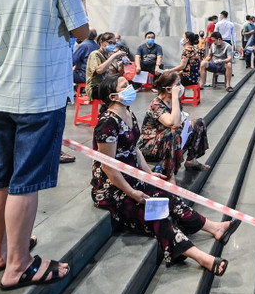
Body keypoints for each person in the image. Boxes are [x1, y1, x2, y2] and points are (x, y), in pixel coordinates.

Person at [0, 0, 88, 290]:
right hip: (41, 97)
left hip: (1, 94)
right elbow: (82, 32)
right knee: (25, 181)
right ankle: (19, 265)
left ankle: (2, 253)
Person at [92, 76, 238, 274]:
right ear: (113, 96)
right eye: (124, 86)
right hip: (112, 188)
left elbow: (135, 150)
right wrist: (132, 192)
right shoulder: (107, 124)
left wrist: (149, 174)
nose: (131, 87)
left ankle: (214, 228)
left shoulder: (128, 113)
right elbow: (108, 167)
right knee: (156, 213)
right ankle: (200, 257)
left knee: (169, 197)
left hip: (133, 178)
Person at [137, 71, 210, 175]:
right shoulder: (156, 104)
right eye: (177, 84)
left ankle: (191, 160)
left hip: (167, 138)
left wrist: (186, 123)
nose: (180, 87)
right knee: (172, 133)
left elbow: (179, 117)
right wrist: (175, 97)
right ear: (168, 89)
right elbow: (173, 123)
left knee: (198, 122)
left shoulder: (174, 100)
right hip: (150, 144)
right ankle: (168, 173)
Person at [86, 32, 126, 102]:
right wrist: (114, 56)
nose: (112, 45)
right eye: (110, 43)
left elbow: (118, 73)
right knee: (119, 95)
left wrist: (123, 64)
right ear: (101, 42)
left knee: (125, 91)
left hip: (109, 85)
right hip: (96, 87)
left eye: (114, 43)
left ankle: (122, 112)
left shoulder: (110, 54)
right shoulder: (95, 54)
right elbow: (99, 70)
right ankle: (108, 111)